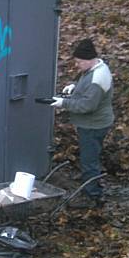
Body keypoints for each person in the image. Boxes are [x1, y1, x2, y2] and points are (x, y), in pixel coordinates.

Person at [51, 38, 114, 207]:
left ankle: (92, 196)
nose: (77, 65)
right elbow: (85, 82)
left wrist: (63, 103)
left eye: (79, 62)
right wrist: (74, 86)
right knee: (91, 156)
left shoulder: (97, 79)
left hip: (93, 125)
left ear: (88, 60)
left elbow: (87, 105)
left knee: (89, 160)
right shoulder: (97, 67)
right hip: (95, 123)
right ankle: (92, 184)